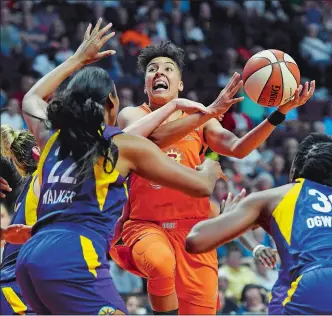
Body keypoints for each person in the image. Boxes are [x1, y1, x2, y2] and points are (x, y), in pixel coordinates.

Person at [15, 19, 224, 315]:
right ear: (112, 103)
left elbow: (31, 98)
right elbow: (201, 186)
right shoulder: (119, 145)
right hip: (74, 256)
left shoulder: (51, 137)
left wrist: (76, 60)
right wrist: (211, 167)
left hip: (31, 256)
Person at [110, 40, 315, 314]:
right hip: (148, 226)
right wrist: (208, 112)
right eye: (152, 69)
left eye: (168, 68)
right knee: (159, 264)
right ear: (146, 83)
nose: (159, 72)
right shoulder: (132, 115)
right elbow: (152, 139)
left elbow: (238, 148)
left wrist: (279, 114)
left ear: (180, 84)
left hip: (194, 233)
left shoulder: (203, 120)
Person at [186, 133, 332, 315]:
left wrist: (225, 217)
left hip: (314, 282)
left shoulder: (276, 196)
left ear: (294, 169)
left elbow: (196, 240)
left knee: (282, 290)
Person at [0, 125, 39, 315]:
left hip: (22, 283)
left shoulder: (29, 188)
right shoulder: (42, 179)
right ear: (37, 152)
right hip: (17, 287)